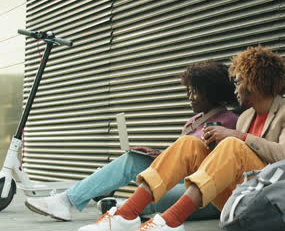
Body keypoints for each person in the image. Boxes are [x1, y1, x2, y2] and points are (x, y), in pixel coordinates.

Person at [76, 45, 285, 231]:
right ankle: (126, 216)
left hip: (270, 203)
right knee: (190, 143)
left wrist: (239, 137)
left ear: (254, 83)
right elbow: (232, 162)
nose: (235, 88)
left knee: (232, 143)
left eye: (239, 81)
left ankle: (170, 222)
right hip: (241, 196)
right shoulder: (246, 117)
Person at [24, 60, 239, 222]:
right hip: (178, 180)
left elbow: (214, 167)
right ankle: (66, 200)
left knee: (144, 203)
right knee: (134, 159)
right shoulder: (193, 121)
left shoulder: (228, 122)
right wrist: (158, 155)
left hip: (203, 191)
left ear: (212, 93)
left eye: (195, 92)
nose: (189, 97)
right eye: (188, 91)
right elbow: (181, 159)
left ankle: (115, 206)